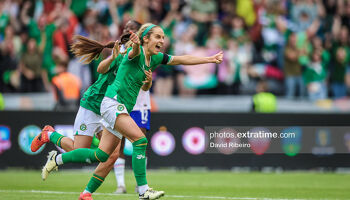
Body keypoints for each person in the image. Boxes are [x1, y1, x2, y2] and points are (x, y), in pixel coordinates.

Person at [41, 23, 223, 200]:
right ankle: (143, 190)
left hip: (119, 107)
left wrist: (209, 59)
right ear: (145, 39)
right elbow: (133, 53)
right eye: (158, 36)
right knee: (140, 140)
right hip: (112, 104)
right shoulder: (134, 52)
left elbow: (181, 59)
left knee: (101, 155)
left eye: (163, 37)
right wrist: (135, 46)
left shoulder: (156, 58)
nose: (162, 40)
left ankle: (58, 160)